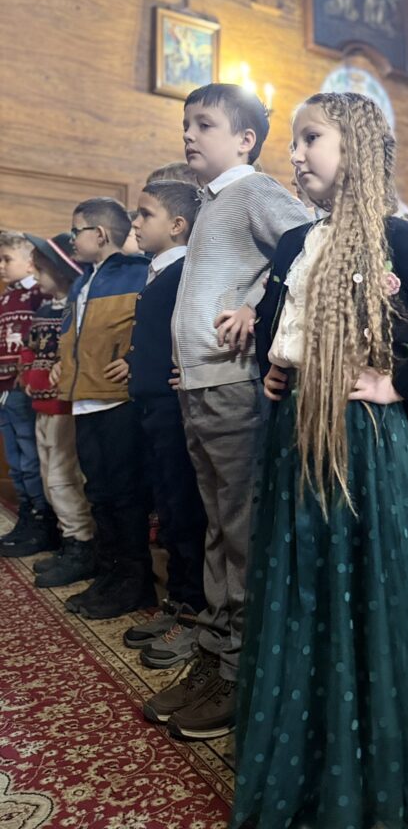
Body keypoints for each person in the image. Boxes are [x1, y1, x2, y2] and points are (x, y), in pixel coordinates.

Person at [230, 91, 408, 829]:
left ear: (357, 147)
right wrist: (274, 368)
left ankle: (369, 770)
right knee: (305, 590)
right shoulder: (294, 243)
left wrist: (397, 382)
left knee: (362, 594)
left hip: (360, 445)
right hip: (294, 438)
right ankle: (312, 758)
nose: (295, 154)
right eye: (293, 141)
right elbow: (283, 327)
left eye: (311, 138)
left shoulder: (393, 239)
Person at [143, 83, 308, 739]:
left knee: (240, 532)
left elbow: (310, 248)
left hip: (235, 386)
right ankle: (216, 654)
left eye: (204, 124)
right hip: (201, 385)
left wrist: (257, 306)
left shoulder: (255, 191)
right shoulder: (212, 201)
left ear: (244, 139)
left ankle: (243, 673)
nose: (189, 134)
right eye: (187, 123)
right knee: (218, 527)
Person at [109, 180, 208, 668]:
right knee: (168, 510)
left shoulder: (189, 271)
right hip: (151, 407)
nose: (135, 223)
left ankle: (195, 616)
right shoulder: (159, 272)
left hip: (175, 409)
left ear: (177, 225)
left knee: (187, 513)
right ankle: (178, 603)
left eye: (145, 214)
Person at [58, 197, 154, 619]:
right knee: (98, 492)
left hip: (118, 399)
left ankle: (134, 581)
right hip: (85, 399)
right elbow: (72, 335)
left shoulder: (138, 272)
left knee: (125, 493)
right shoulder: (82, 280)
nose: (71, 238)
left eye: (76, 230)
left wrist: (134, 358)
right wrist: (63, 361)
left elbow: (154, 324)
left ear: (99, 234)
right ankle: (110, 571)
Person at [19, 234, 95, 585]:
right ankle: (68, 540)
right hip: (41, 405)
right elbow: (30, 348)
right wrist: (26, 372)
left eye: (41, 268)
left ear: (63, 271)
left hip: (63, 407)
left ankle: (82, 543)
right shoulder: (43, 311)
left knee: (63, 478)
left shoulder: (74, 309)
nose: (34, 273)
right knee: (49, 475)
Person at [0, 231, 55, 556]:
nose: (1, 265)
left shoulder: (39, 294)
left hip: (23, 388)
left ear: (29, 261)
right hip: (3, 389)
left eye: (7, 259)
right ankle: (26, 516)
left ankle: (40, 519)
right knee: (15, 459)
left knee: (30, 456)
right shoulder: (6, 297)